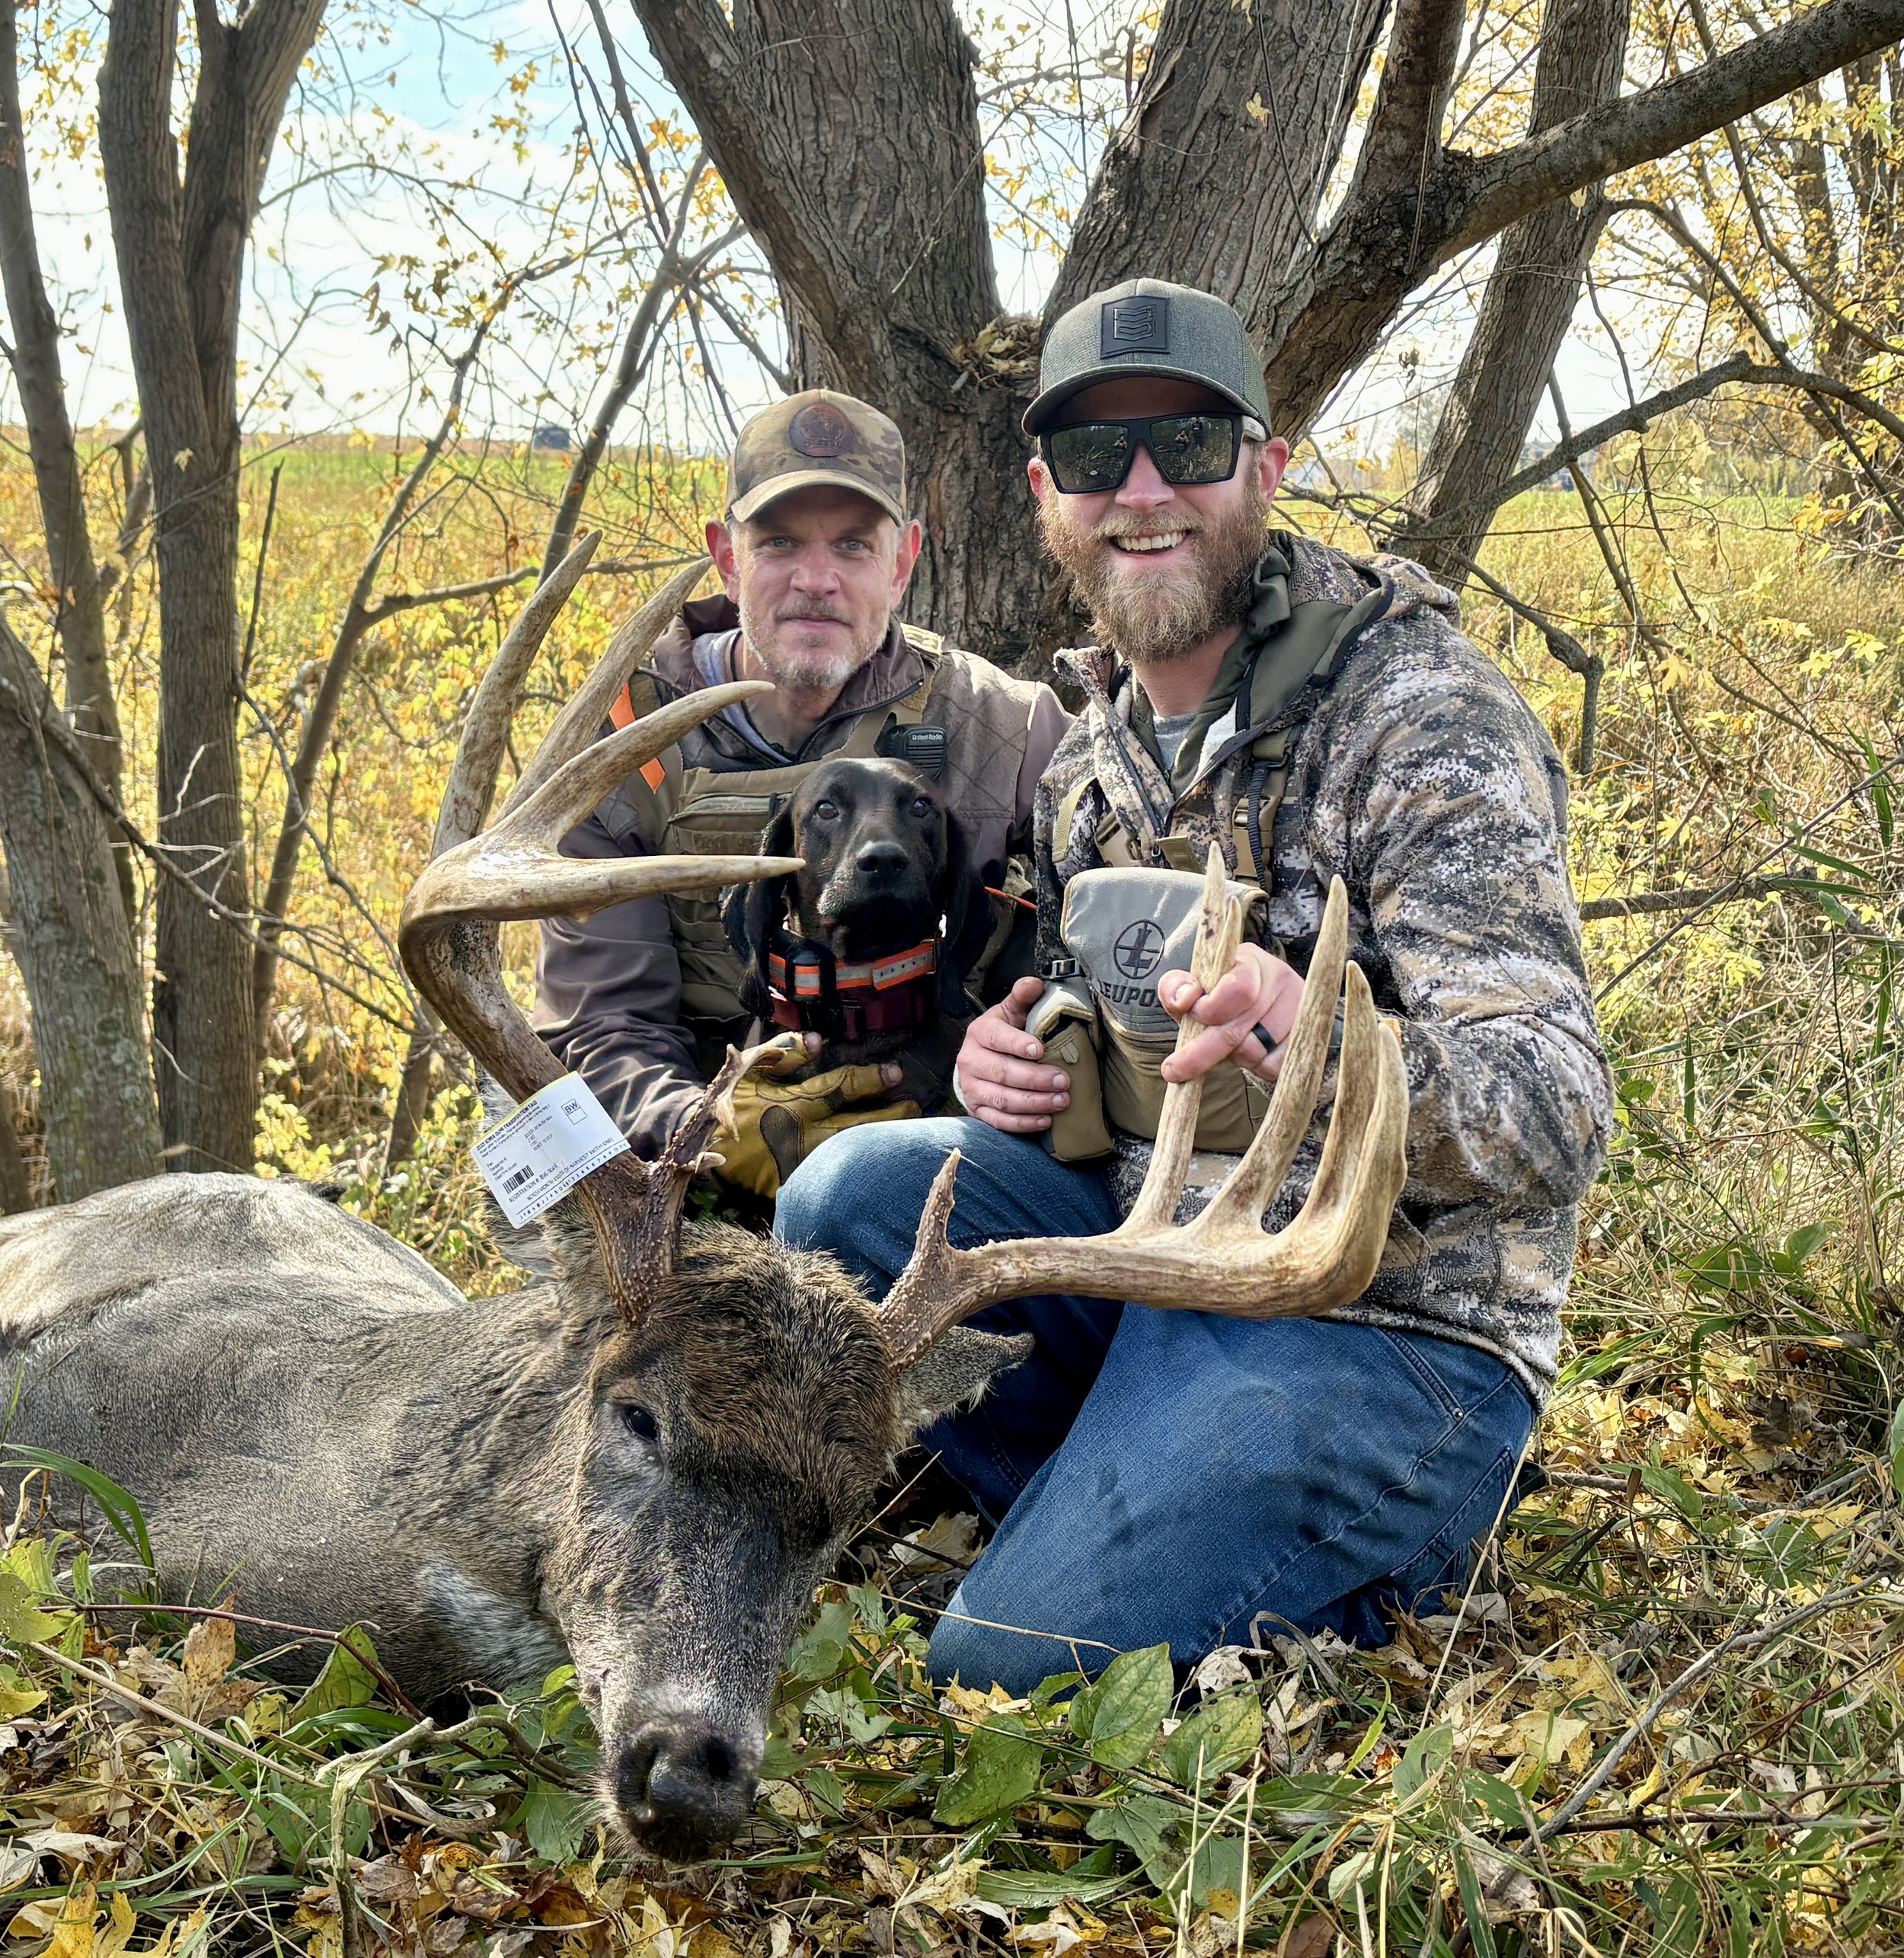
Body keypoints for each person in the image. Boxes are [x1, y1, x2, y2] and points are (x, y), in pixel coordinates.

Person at [775, 279, 1613, 1691]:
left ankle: (1370, 1528)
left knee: (1005, 1665)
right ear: (1049, 493)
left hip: (1381, 1331)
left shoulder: (1421, 718)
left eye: (1189, 445)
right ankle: (1135, 1504)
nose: (1143, 490)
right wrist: (1017, 1059)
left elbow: (1559, 1111)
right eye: (1099, 458)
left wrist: (1326, 1040)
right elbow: (1085, 1008)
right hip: (1147, 1271)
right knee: (838, 1204)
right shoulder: (1094, 750)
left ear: (1266, 470)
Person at [535, 390, 1069, 1196]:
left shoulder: (1010, 728)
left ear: (902, 561)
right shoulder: (622, 743)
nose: (815, 580)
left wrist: (995, 1063)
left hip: (940, 1135)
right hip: (685, 1141)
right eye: (779, 542)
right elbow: (604, 1022)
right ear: (726, 554)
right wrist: (709, 1136)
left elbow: (1099, 964)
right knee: (540, 1160)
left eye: (853, 546)